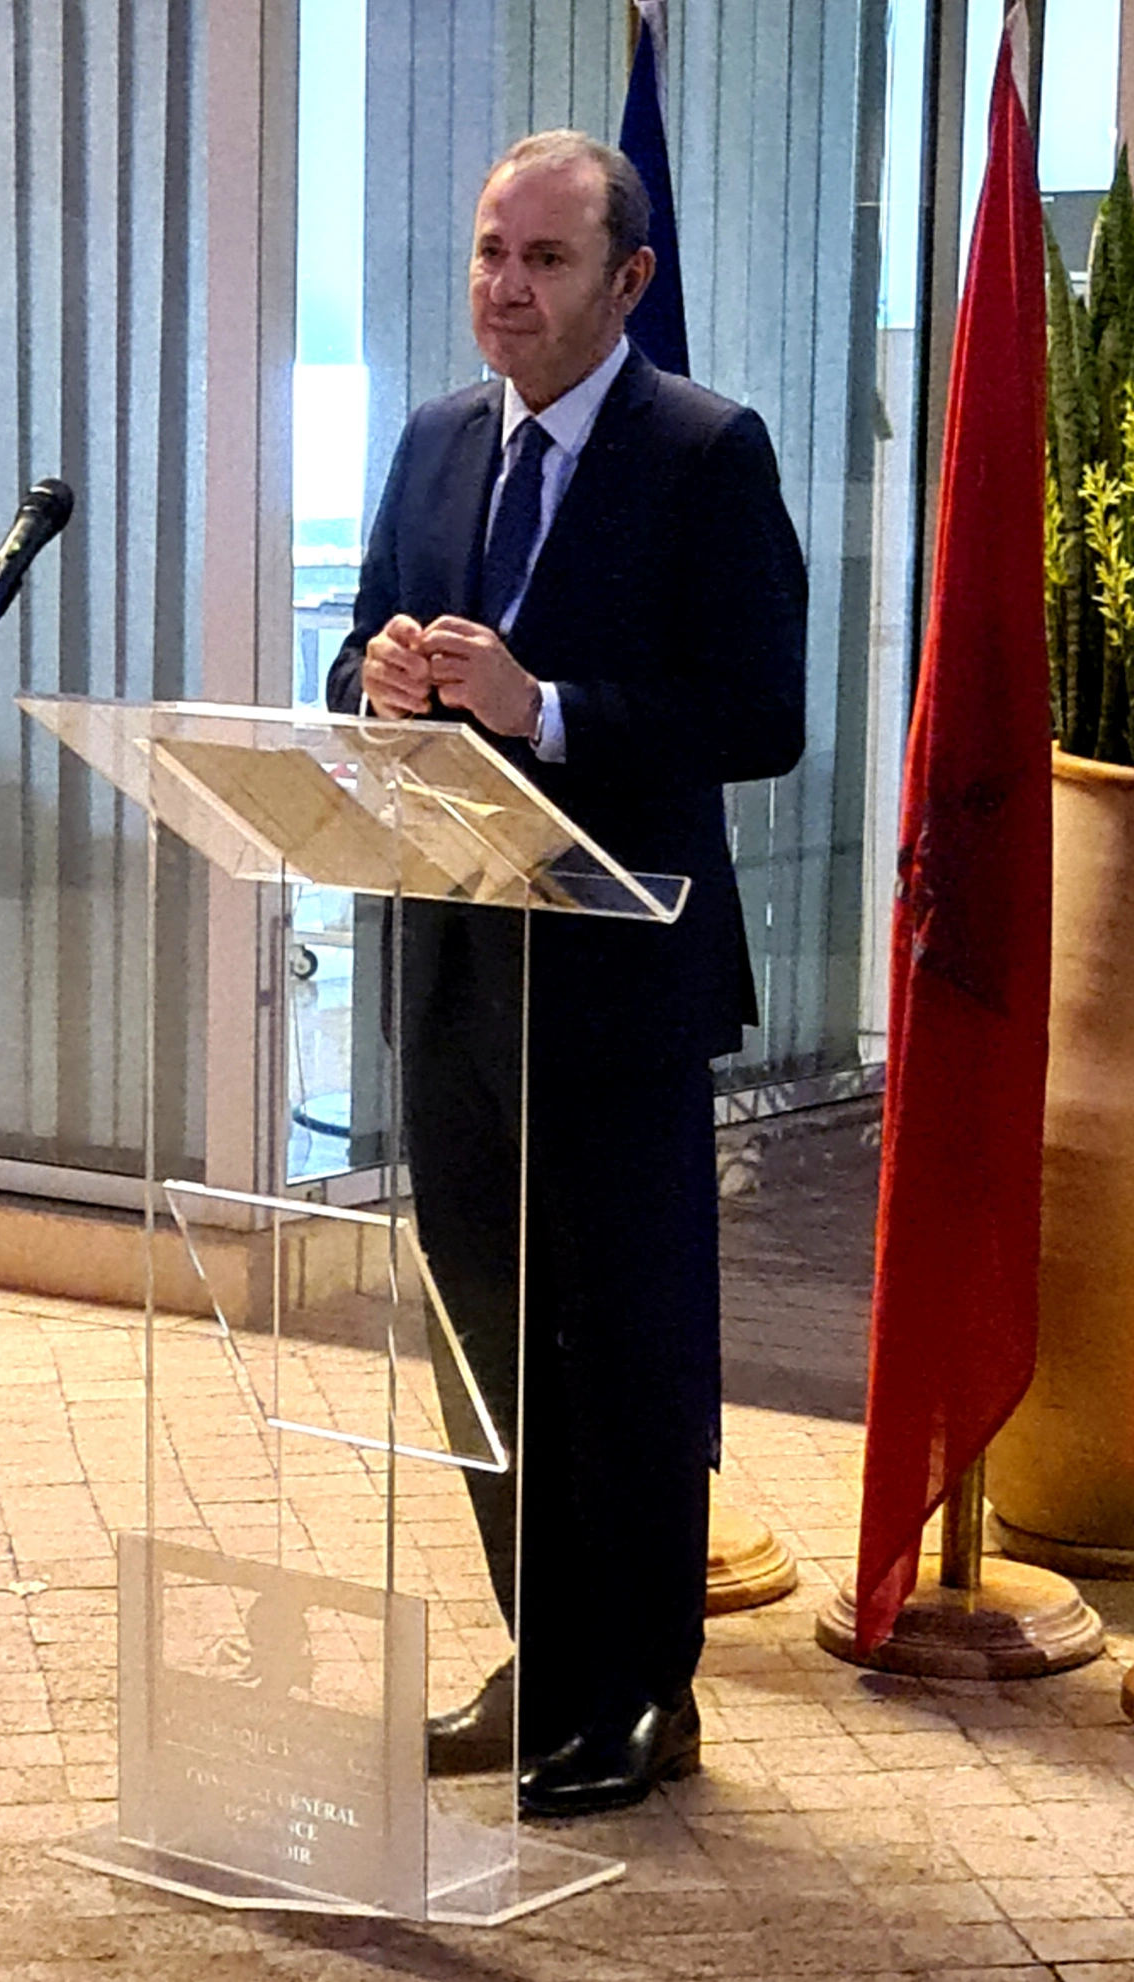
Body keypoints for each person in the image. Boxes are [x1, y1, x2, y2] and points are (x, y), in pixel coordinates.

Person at [328, 129, 806, 1817]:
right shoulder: (434, 439)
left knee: (623, 1344)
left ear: (628, 280)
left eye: (542, 259)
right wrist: (377, 675)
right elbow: (359, 641)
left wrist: (549, 711)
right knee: (491, 1341)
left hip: (622, 981)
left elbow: (762, 713)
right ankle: (546, 1661)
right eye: (488, 251)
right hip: (454, 967)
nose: (505, 287)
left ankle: (645, 1690)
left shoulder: (706, 450)